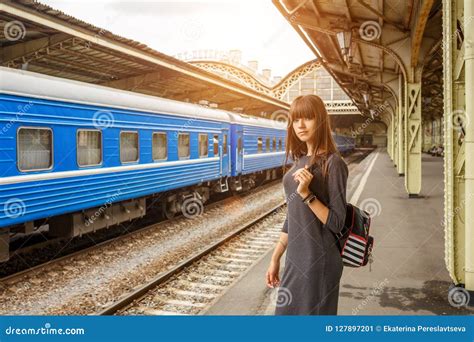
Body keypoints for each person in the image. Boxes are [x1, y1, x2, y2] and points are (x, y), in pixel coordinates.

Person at [265, 94, 349, 315]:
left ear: (320, 120)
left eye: (308, 118)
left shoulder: (334, 164)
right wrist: (275, 258)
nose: (300, 125)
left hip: (318, 262)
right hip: (295, 260)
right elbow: (292, 218)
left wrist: (307, 195)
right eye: (295, 119)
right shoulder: (299, 161)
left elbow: (337, 223)